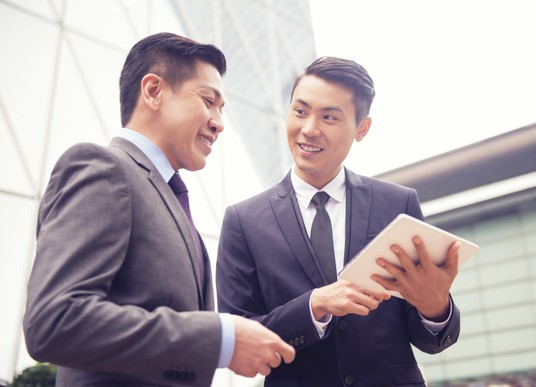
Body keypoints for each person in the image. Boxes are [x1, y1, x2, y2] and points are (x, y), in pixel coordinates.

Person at [23, 32, 294, 387]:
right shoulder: (102, 168)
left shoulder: (169, 196)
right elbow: (54, 321)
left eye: (221, 109)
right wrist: (220, 339)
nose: (219, 122)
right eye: (208, 101)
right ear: (153, 90)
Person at [216, 56, 461, 386]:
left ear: (362, 128)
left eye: (329, 117)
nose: (309, 129)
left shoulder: (398, 205)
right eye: (300, 111)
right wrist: (313, 306)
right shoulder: (243, 221)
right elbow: (236, 335)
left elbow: (431, 339)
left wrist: (435, 308)